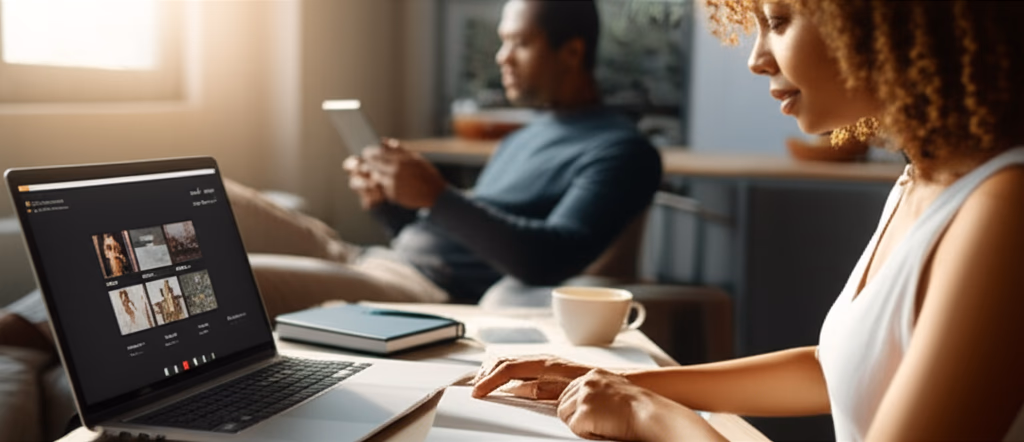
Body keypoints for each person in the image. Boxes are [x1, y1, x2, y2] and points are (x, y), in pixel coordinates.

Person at [472, 1, 1024, 441]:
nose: (757, 57)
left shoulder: (1003, 209)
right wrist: (622, 382)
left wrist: (654, 417)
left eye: (778, 21)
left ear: (882, 19)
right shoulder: (921, 179)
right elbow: (833, 368)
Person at [229, 0, 662, 315]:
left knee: (230, 280)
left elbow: (547, 258)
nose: (502, 58)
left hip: (424, 290)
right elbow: (462, 233)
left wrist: (436, 195)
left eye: (520, 43)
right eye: (502, 43)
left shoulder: (622, 152)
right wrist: (391, 206)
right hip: (368, 254)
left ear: (572, 52)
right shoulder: (522, 138)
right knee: (216, 196)